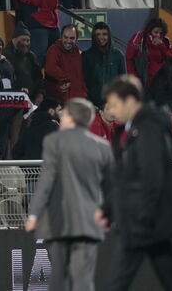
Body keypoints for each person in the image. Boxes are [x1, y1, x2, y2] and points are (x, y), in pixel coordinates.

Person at [100, 75, 172, 291]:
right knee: (171, 276)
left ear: (130, 101)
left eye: (114, 105)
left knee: (118, 280)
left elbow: (151, 177)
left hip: (144, 220)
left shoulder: (148, 128)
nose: (112, 111)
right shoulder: (131, 130)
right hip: (147, 219)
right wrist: (107, 210)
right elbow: (124, 177)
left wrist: (140, 218)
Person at [25, 98, 113, 291]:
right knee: (84, 278)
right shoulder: (102, 147)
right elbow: (110, 187)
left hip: (60, 221)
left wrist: (33, 214)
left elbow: (46, 181)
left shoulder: (54, 142)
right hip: (89, 221)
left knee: (59, 277)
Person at [82, 22, 126, 107]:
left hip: (113, 105)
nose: (101, 37)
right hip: (93, 106)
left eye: (104, 34)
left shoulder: (118, 55)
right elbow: (83, 83)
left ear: (109, 36)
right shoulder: (86, 56)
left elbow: (122, 82)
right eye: (98, 34)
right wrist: (89, 103)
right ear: (93, 36)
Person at [43, 25, 87, 102]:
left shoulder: (77, 52)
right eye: (65, 37)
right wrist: (68, 78)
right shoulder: (54, 50)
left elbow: (79, 75)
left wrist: (84, 92)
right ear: (61, 37)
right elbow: (50, 68)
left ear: (77, 39)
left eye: (72, 38)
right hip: (62, 100)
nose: (68, 41)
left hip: (79, 98)